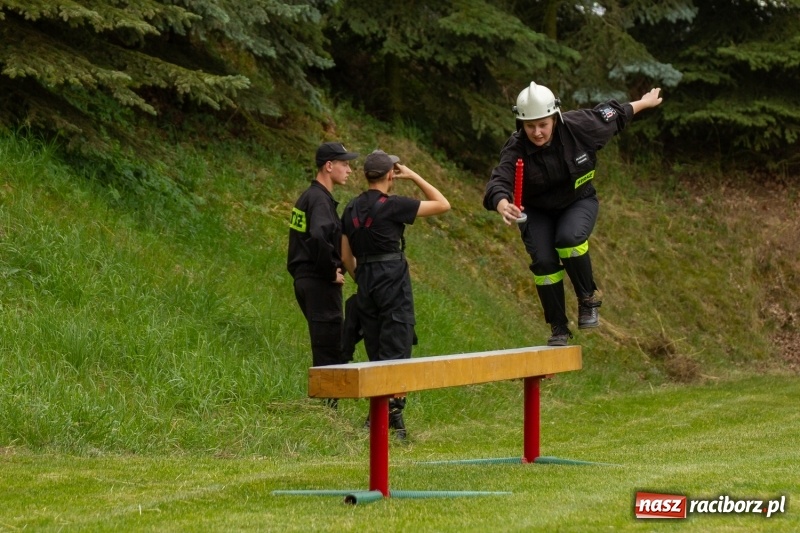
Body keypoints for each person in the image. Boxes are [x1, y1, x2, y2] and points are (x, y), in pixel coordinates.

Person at [483, 82, 663, 346]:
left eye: (543, 124)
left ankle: (587, 299)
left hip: (578, 201)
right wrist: (501, 204)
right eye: (530, 126)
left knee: (569, 239)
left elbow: (614, 116)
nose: (537, 132)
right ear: (520, 124)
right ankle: (558, 327)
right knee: (544, 263)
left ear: (555, 117)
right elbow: (498, 181)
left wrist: (644, 103)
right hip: (537, 211)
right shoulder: (516, 147)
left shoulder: (580, 126)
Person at [341, 150, 450, 439]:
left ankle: (385, 418)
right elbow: (443, 204)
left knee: (377, 350)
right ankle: (386, 417)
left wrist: (362, 278)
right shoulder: (393, 205)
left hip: (366, 283)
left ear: (366, 175)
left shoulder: (350, 208)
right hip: (393, 283)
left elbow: (345, 255)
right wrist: (413, 176)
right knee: (398, 349)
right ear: (391, 174)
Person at [288, 141, 359, 407]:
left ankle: (327, 406)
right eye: (345, 164)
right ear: (329, 166)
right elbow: (318, 236)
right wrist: (330, 271)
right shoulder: (319, 199)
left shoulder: (309, 197)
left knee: (325, 343)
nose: (349, 170)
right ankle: (327, 409)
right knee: (330, 347)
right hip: (319, 282)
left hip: (304, 279)